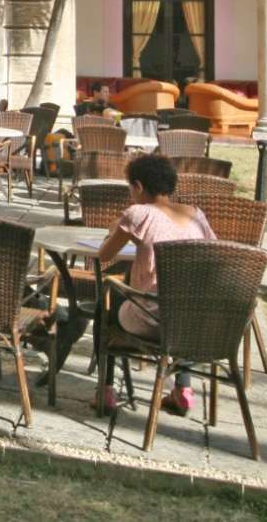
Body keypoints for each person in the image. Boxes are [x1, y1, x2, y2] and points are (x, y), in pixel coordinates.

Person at [96, 153, 216, 416]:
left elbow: (105, 256)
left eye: (130, 187)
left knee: (107, 300)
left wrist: (116, 226)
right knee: (178, 306)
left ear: (138, 186)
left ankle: (105, 388)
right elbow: (213, 252)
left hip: (152, 319)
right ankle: (182, 387)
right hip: (193, 319)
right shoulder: (197, 215)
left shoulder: (138, 213)